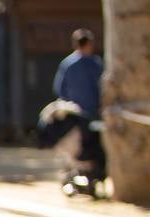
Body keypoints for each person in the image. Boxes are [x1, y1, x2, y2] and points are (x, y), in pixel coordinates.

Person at [53, 28, 107, 185]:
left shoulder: (71, 64)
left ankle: (92, 174)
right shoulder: (92, 64)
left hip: (85, 113)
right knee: (86, 146)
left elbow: (59, 89)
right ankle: (86, 173)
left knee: (88, 146)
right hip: (84, 114)